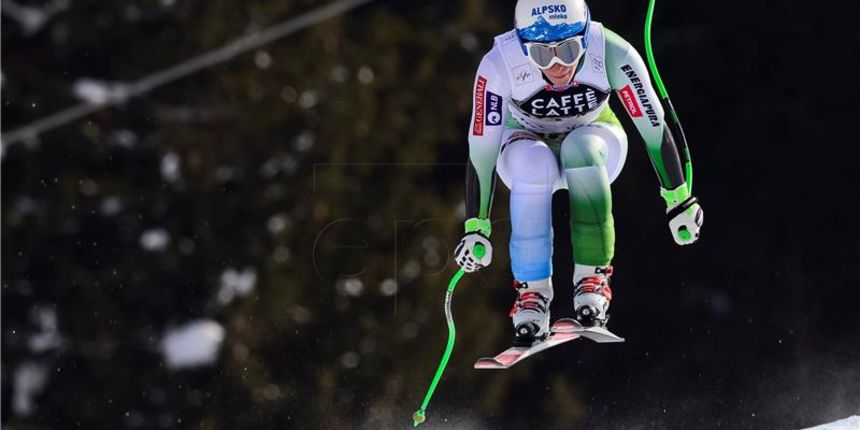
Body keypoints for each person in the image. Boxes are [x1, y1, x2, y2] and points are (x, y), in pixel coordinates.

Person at [453, 0, 704, 343]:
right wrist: (476, 226)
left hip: (596, 139)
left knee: (581, 147)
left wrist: (678, 199)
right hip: (525, 142)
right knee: (533, 162)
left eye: (569, 50)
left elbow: (653, 127)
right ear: (523, 46)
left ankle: (593, 279)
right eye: (541, 54)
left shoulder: (613, 52)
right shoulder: (499, 64)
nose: (557, 65)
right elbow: (481, 150)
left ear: (585, 37)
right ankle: (531, 294)